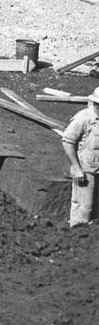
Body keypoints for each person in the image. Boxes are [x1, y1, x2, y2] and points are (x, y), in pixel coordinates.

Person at [62, 86, 99, 227]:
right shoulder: (83, 118)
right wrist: (77, 169)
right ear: (96, 104)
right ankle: (78, 238)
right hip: (85, 171)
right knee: (84, 207)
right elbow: (67, 141)